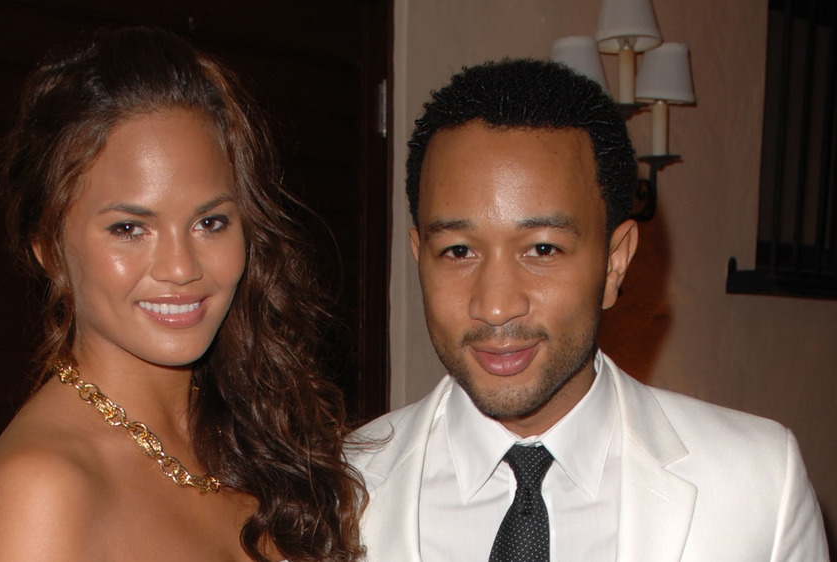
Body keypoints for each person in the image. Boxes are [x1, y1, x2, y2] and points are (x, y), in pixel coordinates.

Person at [347, 59, 828, 561]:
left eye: (543, 249)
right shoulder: (337, 487)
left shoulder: (760, 484)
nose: (494, 306)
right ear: (417, 255)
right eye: (458, 251)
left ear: (615, 263)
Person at [0, 26, 364, 562]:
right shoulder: (42, 486)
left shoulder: (253, 421)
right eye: (130, 229)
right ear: (48, 247)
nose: (181, 268)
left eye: (210, 222)